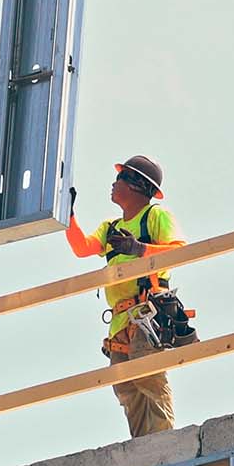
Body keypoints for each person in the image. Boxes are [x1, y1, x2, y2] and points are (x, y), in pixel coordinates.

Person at [64, 155, 193, 437]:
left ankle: (164, 439)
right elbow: (83, 248)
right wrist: (68, 215)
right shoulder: (111, 226)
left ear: (136, 185)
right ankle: (142, 445)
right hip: (121, 319)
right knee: (124, 384)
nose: (114, 183)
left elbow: (180, 250)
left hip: (148, 312)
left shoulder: (155, 216)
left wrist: (139, 249)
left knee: (147, 372)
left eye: (120, 178)